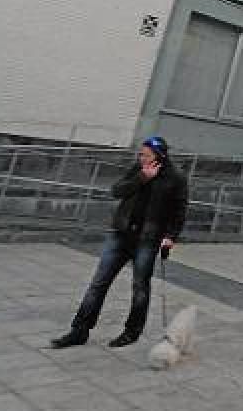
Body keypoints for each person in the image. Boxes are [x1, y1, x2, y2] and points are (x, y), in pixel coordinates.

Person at [51, 137, 187, 349]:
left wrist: (171, 236)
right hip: (121, 234)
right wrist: (142, 177)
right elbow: (117, 191)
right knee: (98, 283)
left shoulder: (175, 177)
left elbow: (180, 210)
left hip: (148, 240)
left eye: (145, 155)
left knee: (140, 287)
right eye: (140, 154)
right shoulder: (138, 169)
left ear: (159, 156)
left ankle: (132, 332)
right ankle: (80, 330)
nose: (141, 157)